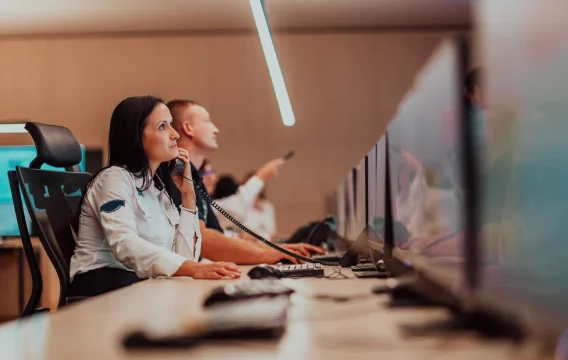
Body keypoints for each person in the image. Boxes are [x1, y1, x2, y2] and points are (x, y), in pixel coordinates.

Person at [68, 96, 241, 297]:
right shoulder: (113, 179)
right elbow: (125, 245)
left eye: (171, 125)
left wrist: (188, 196)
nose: (175, 134)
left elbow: (184, 258)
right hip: (101, 287)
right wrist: (193, 269)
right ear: (136, 137)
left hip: (135, 286)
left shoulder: (156, 189)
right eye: (162, 126)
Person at [166, 99, 323, 262]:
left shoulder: (195, 179)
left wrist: (274, 249)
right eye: (207, 121)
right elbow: (201, 239)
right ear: (188, 128)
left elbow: (215, 235)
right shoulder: (176, 176)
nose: (216, 129)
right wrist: (268, 254)